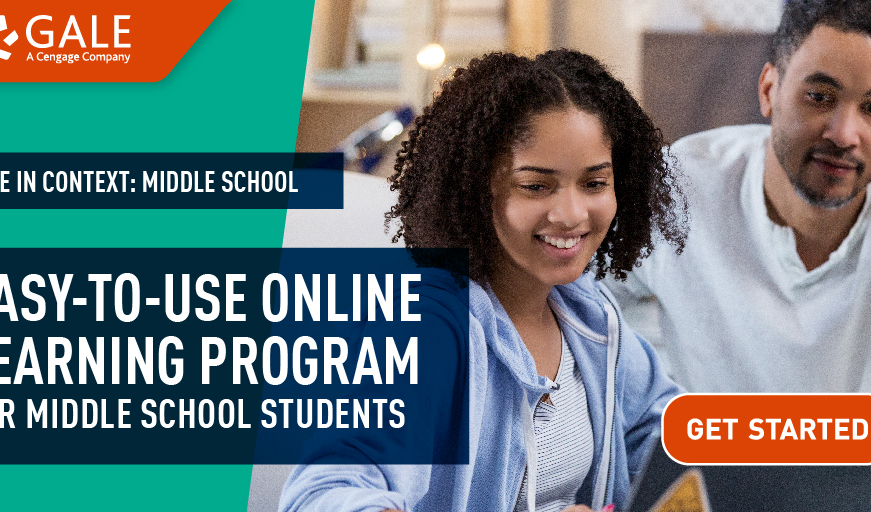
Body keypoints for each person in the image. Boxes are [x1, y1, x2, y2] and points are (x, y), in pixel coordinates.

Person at [278, 49, 688, 512]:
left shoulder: (588, 316)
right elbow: (322, 494)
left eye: (594, 184)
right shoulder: (430, 327)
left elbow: (667, 438)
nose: (573, 214)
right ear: (479, 189)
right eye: (536, 186)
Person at [608, 0, 871, 402]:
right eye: (820, 97)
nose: (845, 135)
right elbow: (573, 294)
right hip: (712, 464)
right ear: (769, 90)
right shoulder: (681, 187)